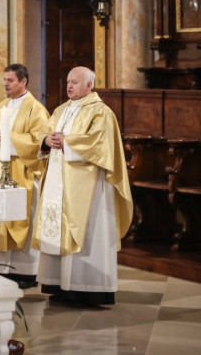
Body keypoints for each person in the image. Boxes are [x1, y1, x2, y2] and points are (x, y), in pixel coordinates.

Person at [34, 66, 133, 307]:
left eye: (75, 82)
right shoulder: (60, 110)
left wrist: (67, 142)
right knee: (57, 228)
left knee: (87, 232)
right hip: (58, 181)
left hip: (88, 187)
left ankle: (86, 290)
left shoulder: (101, 112)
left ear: (90, 85)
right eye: (68, 81)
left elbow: (100, 144)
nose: (69, 86)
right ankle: (58, 285)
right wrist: (46, 140)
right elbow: (44, 134)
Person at [0, 64, 49, 289]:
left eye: (10, 80)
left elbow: (39, 142)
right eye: (4, 80)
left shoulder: (36, 109)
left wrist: (8, 137)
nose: (5, 84)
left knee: (21, 217)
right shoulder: (2, 106)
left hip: (22, 174)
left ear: (23, 81)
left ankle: (25, 272)